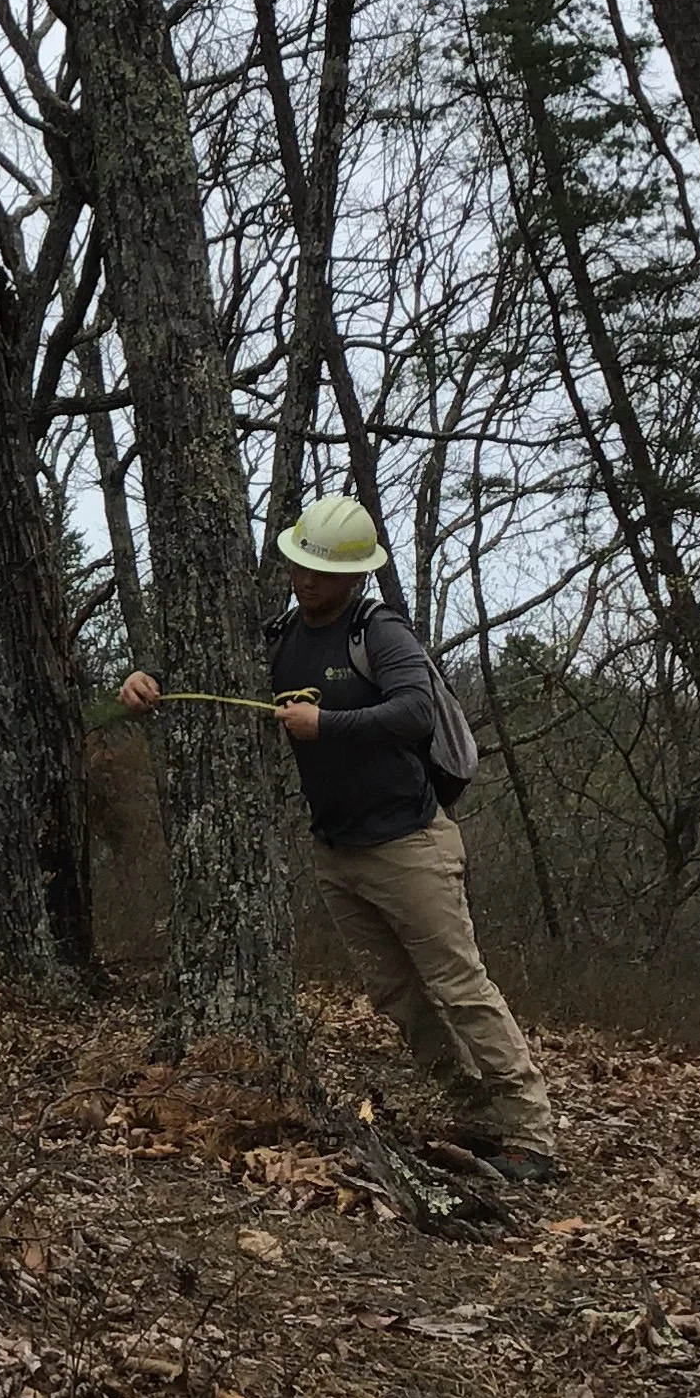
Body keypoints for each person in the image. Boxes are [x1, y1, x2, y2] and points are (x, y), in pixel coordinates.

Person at [120, 493, 556, 1183]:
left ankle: (530, 1132)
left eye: (322, 572)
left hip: (410, 843)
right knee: (398, 996)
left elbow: (414, 709)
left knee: (458, 986)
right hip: (337, 851)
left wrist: (328, 728)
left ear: (355, 575)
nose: (306, 581)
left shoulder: (378, 632)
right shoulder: (284, 635)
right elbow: (218, 676)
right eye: (300, 566)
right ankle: (474, 1109)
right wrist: (150, 682)